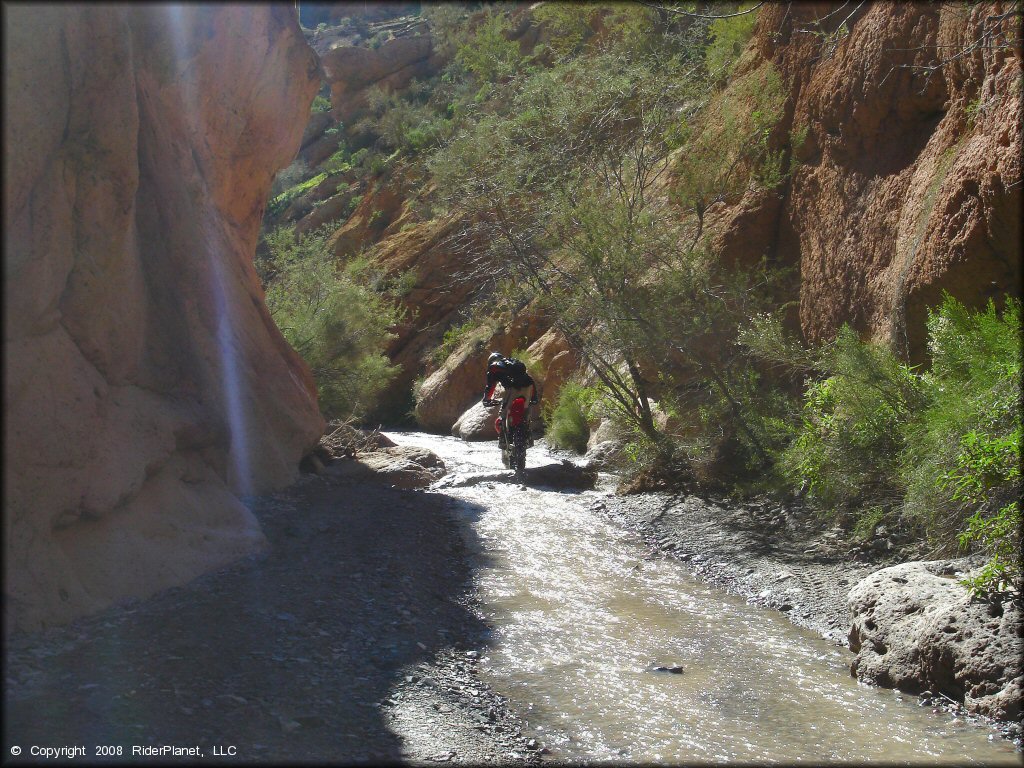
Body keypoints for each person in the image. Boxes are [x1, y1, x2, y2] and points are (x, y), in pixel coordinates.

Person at [482, 351, 538, 448]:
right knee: (525, 412)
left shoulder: (493, 368)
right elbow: (530, 379)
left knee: (503, 413)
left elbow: (490, 386)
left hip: (512, 388)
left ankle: (503, 439)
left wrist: (486, 399)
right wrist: (534, 397)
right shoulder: (513, 362)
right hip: (528, 386)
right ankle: (528, 435)